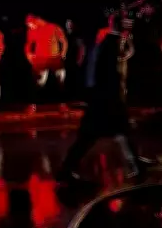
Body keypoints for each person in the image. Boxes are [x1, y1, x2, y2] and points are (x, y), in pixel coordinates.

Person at [56, 14, 145, 183]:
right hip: (106, 100)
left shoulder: (105, 42)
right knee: (95, 136)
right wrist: (113, 97)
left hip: (101, 98)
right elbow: (110, 73)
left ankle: (137, 168)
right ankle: (66, 169)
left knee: (115, 134)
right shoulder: (111, 44)